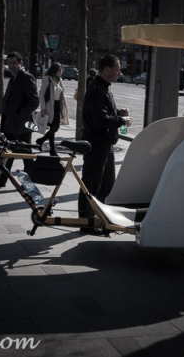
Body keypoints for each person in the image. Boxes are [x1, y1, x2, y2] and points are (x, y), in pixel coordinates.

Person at [77, 54, 133, 234]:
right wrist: (121, 120)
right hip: (97, 144)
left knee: (108, 184)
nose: (119, 72)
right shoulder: (97, 89)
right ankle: (86, 222)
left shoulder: (103, 88)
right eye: (117, 69)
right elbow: (100, 120)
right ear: (107, 70)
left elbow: (105, 111)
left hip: (105, 144)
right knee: (92, 184)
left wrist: (118, 112)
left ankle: (100, 218)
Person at [0, 51, 39, 186]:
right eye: (9, 63)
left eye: (14, 63)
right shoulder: (13, 78)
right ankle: (0, 180)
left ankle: (29, 182)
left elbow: (34, 102)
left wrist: (19, 116)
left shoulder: (26, 77)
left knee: (26, 156)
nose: (11, 65)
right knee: (7, 153)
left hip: (22, 125)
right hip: (11, 123)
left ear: (20, 63)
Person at [36, 62, 69, 156]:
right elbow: (41, 94)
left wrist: (62, 109)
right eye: (59, 70)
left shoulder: (60, 80)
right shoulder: (47, 79)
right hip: (50, 105)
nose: (61, 71)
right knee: (54, 127)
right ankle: (51, 149)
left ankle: (43, 142)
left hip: (57, 105)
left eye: (61, 69)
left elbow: (61, 94)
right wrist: (43, 108)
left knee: (55, 127)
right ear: (54, 70)